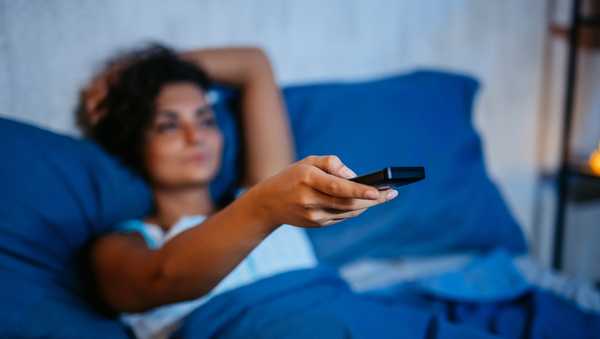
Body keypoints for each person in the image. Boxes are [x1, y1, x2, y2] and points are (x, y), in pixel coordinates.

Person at [77, 44, 398, 338]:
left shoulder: (268, 191)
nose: (195, 136)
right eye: (169, 125)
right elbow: (162, 277)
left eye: (205, 120)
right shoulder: (120, 246)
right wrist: (265, 207)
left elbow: (254, 66)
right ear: (133, 144)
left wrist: (144, 74)